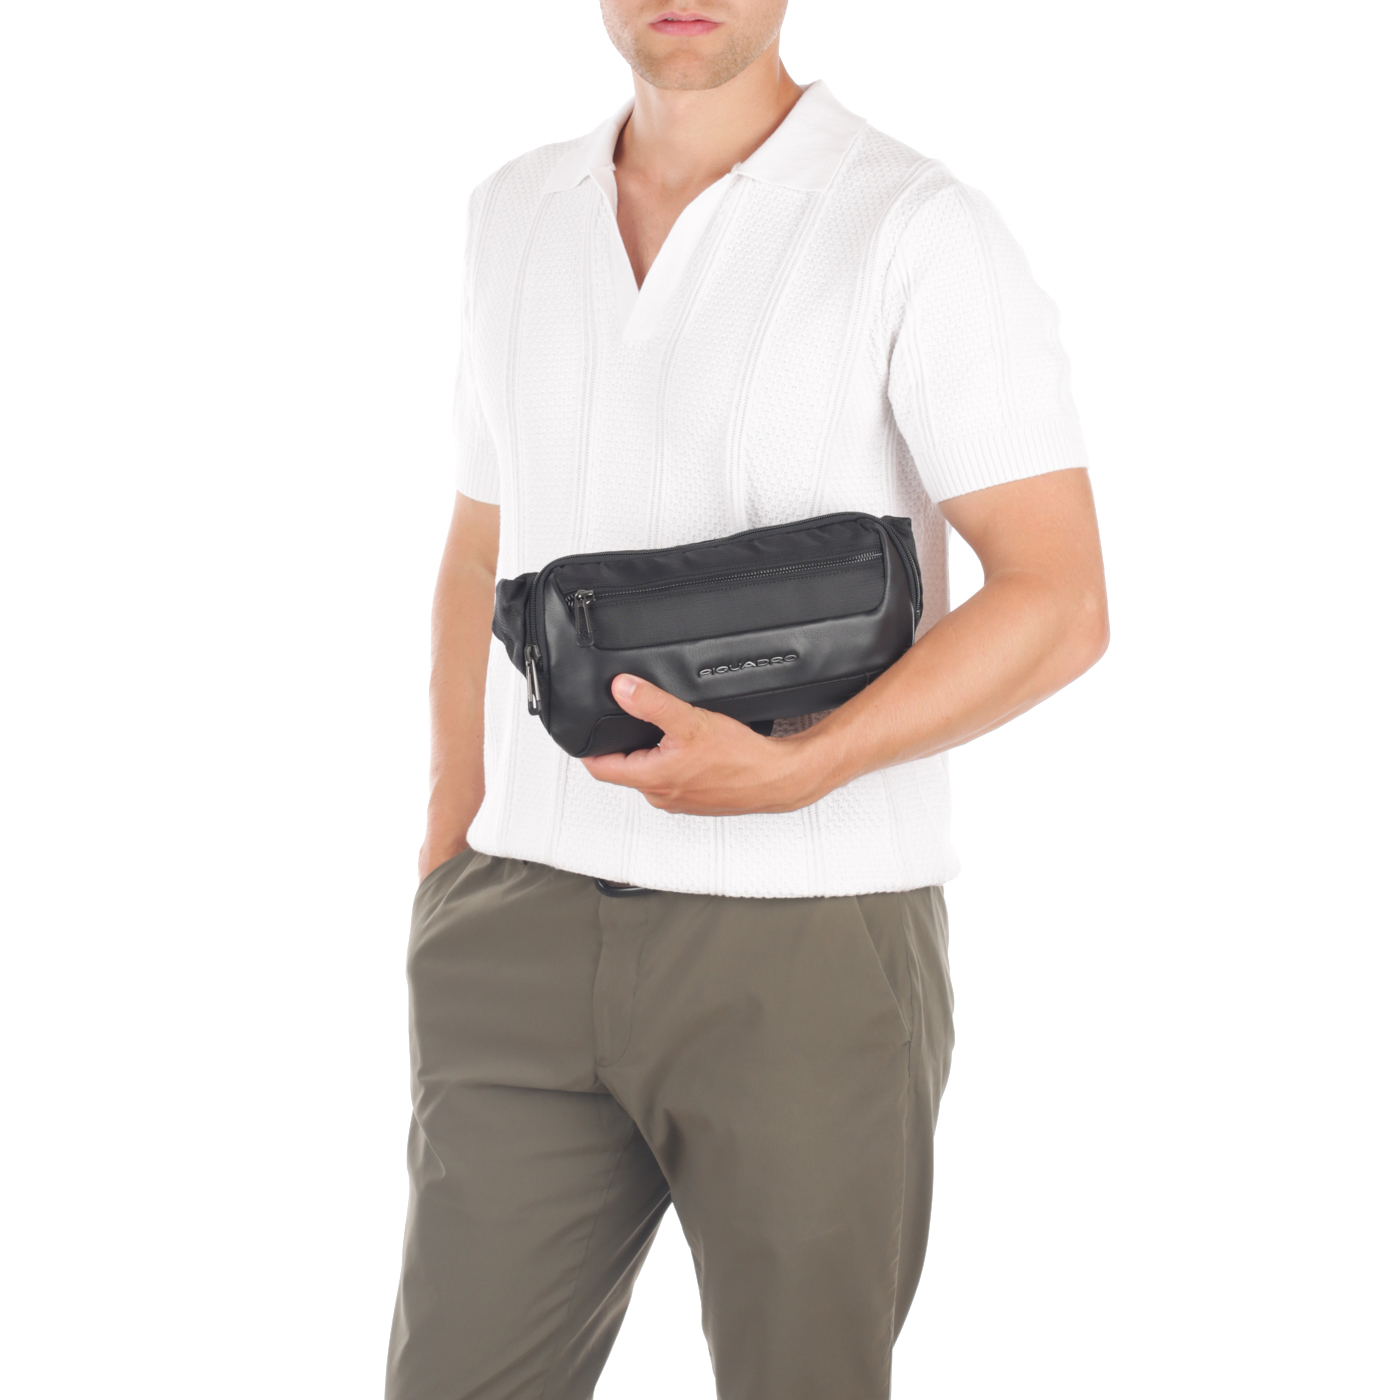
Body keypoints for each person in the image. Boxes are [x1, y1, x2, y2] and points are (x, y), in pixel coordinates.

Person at [385, 3, 1109, 1397]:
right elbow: (484, 543)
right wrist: (450, 841)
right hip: (518, 924)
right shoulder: (513, 213)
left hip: (805, 949)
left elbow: (1059, 598)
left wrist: (803, 768)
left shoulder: (914, 225)